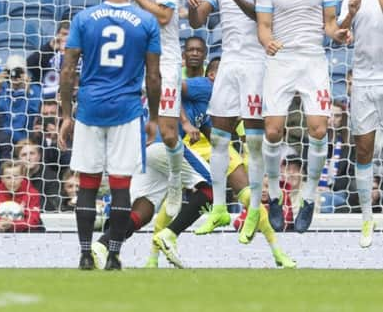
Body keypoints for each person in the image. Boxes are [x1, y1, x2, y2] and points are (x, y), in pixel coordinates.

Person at [91, 52, 295, 269]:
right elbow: (167, 89)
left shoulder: (208, 108)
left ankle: (102, 246)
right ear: (217, 76)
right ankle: (170, 235)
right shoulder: (206, 86)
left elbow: (216, 139)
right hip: (164, 144)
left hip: (144, 149)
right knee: (209, 188)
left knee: (145, 210)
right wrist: (186, 123)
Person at [58, 0, 161, 270]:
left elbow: (67, 71)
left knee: (87, 183)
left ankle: (86, 254)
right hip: (127, 109)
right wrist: (153, 117)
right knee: (120, 185)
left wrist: (65, 114)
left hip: (89, 107)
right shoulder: (146, 21)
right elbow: (154, 77)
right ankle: (114, 255)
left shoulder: (84, 19)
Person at [256, 0, 351, 233]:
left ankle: (308, 197)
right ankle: (272, 196)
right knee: (272, 131)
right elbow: (264, 27)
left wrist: (339, 33)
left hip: (312, 60)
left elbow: (329, 25)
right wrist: (268, 41)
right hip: (281, 60)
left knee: (319, 129)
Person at [186, 0, 266, 242]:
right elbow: (198, 21)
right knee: (219, 137)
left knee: (255, 142)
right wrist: (194, 5)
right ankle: (219, 207)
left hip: (256, 65)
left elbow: (260, 17)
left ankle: (255, 209)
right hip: (229, 65)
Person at [128, 0, 184, 218]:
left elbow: (164, 16)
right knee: (127, 132)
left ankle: (176, 181)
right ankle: (128, 193)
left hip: (165, 61)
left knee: (168, 132)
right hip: (134, 63)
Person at [338, 0, 383, 247]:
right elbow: (340, 34)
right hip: (365, 82)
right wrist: (350, 16)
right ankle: (367, 217)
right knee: (364, 151)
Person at [0, 161, 43, 232]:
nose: (13, 181)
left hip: (25, 231)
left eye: (16, 177)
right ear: (2, 179)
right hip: (2, 229)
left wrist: (12, 224)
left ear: (22, 177)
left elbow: (33, 220)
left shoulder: (32, 194)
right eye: (8, 177)